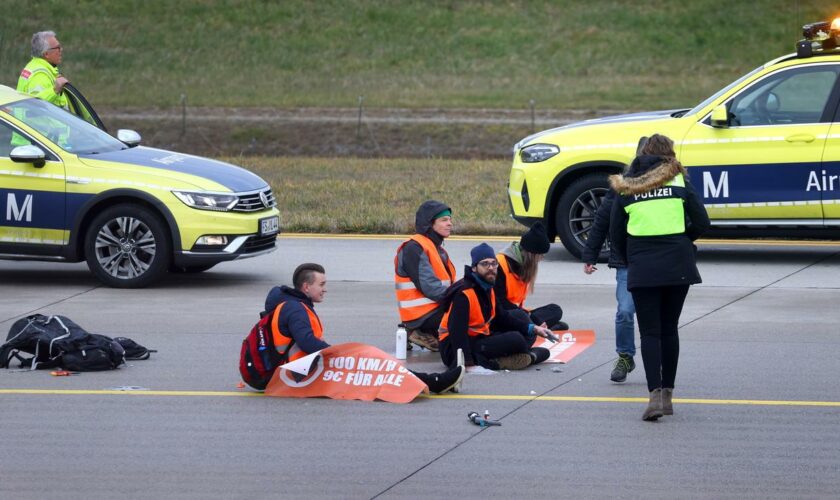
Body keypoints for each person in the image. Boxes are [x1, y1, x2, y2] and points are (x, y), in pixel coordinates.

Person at [609, 134, 710, 421]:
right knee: (670, 329)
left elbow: (615, 234)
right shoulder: (679, 182)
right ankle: (668, 396)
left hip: (643, 266)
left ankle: (653, 395)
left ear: (642, 155)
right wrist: (682, 240)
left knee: (650, 332)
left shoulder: (626, 187)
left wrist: (632, 258)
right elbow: (702, 221)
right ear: (669, 156)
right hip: (678, 264)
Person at [266, 263, 465, 394]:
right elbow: (308, 343)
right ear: (306, 287)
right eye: (322, 284)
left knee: (374, 364)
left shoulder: (296, 305)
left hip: (304, 368)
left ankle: (430, 381)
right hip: (297, 374)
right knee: (371, 365)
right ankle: (433, 382)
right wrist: (338, 354)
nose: (325, 288)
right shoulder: (295, 309)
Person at [581, 136, 648, 384]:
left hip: (654, 259)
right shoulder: (623, 184)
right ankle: (625, 355)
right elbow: (602, 219)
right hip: (628, 261)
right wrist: (590, 254)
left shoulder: (667, 184)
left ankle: (658, 360)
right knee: (625, 312)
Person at [438, 242, 555, 371]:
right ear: (474, 268)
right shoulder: (464, 294)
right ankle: (500, 362)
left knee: (525, 330)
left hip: (479, 338)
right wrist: (467, 364)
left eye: (494, 263)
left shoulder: (488, 287)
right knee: (516, 340)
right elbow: (457, 332)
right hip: (454, 349)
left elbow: (502, 317)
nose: (490, 267)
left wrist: (534, 329)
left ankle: (521, 355)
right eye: (485, 264)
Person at [394, 200, 456, 352]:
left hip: (437, 309)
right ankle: (416, 331)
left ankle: (428, 334)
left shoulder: (438, 249)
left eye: (450, 219)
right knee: (468, 322)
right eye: (444, 220)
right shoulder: (414, 248)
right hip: (422, 315)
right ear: (429, 224)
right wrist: (461, 298)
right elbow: (431, 288)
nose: (450, 224)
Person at [495, 221, 568, 331]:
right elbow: (499, 302)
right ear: (532, 254)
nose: (542, 258)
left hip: (519, 312)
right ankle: (536, 327)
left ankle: (536, 326)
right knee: (524, 317)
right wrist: (525, 315)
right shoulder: (500, 265)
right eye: (540, 255)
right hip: (504, 314)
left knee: (556, 310)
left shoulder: (524, 266)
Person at [17, 31, 70, 110]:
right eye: (58, 48)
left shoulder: (34, 66)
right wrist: (55, 90)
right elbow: (34, 106)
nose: (61, 50)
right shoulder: (39, 75)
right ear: (46, 54)